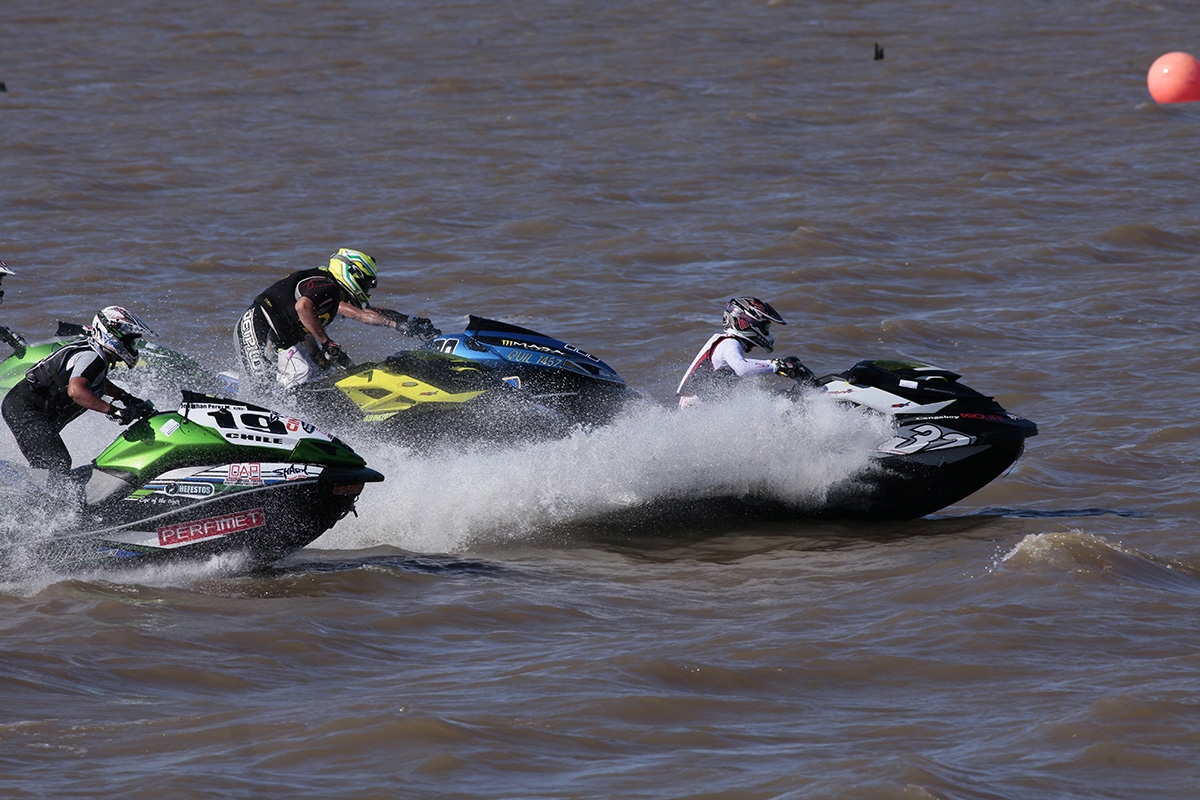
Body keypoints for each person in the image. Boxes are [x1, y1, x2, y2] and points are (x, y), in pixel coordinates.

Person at [2, 305, 156, 508]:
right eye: (131, 341)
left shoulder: (95, 354)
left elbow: (93, 381)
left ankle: (39, 506)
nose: (133, 346)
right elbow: (77, 391)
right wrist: (115, 411)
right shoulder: (93, 356)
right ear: (112, 335)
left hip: (27, 409)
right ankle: (50, 515)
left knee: (50, 464)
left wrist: (125, 397)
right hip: (25, 409)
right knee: (56, 461)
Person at [235, 248, 438, 392]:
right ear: (352, 274)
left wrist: (316, 353)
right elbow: (303, 308)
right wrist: (326, 343)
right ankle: (274, 418)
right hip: (256, 323)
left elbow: (304, 325)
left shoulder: (331, 297)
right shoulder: (327, 285)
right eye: (366, 284)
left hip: (281, 337)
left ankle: (294, 414)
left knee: (313, 372)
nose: (367, 291)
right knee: (263, 387)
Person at [676, 296, 815, 408]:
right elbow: (742, 369)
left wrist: (775, 364)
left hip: (700, 405)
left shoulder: (726, 342)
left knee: (774, 399)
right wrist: (776, 367)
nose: (767, 332)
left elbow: (740, 364)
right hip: (698, 408)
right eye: (765, 328)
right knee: (777, 404)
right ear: (747, 324)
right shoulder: (730, 343)